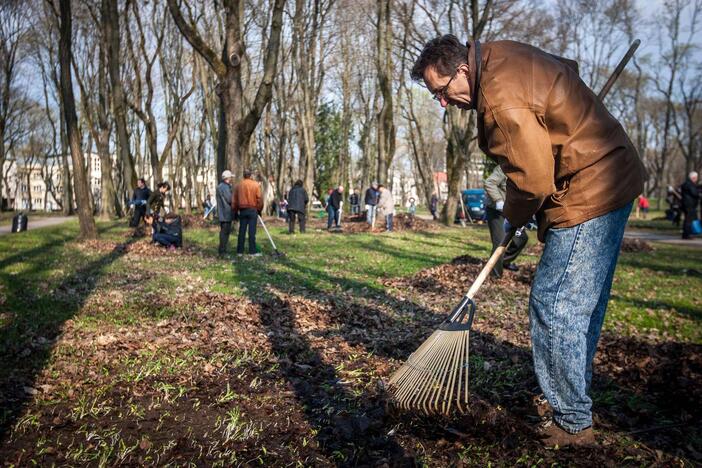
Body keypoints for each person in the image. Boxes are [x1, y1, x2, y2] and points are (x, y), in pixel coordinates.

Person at [411, 35, 646, 446]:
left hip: (591, 188)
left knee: (554, 304)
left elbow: (533, 179)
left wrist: (512, 220)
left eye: (442, 92)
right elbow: (566, 66)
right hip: (613, 172)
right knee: (580, 304)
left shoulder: (500, 100)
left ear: (462, 71)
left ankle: (572, 420)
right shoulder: (502, 54)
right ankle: (570, 394)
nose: (444, 103)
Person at [484, 165, 529, 277]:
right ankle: (495, 275)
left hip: (512, 211)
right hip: (497, 211)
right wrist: (498, 200)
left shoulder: (528, 170)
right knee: (500, 241)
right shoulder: (505, 166)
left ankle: (504, 261)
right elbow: (489, 182)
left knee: (521, 238)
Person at [232, 169, 263, 256]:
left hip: (242, 210)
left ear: (243, 175)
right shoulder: (256, 185)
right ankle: (252, 251)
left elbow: (234, 200)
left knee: (242, 231)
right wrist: (259, 209)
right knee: (252, 231)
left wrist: (235, 211)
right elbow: (260, 199)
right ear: (250, 175)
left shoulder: (238, 185)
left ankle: (239, 251)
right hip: (253, 210)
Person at [216, 170, 234, 256]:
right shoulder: (225, 187)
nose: (231, 179)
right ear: (227, 178)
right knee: (225, 233)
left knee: (223, 232)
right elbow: (230, 199)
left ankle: (222, 250)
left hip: (222, 213)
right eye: (230, 177)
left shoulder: (220, 186)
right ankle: (222, 251)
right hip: (226, 213)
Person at [680, 171, 699, 239]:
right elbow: (695, 193)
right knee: (689, 220)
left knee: (687, 220)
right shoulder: (690, 185)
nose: (696, 179)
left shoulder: (686, 184)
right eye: (696, 178)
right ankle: (688, 234)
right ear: (693, 178)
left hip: (686, 204)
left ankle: (686, 234)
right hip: (689, 205)